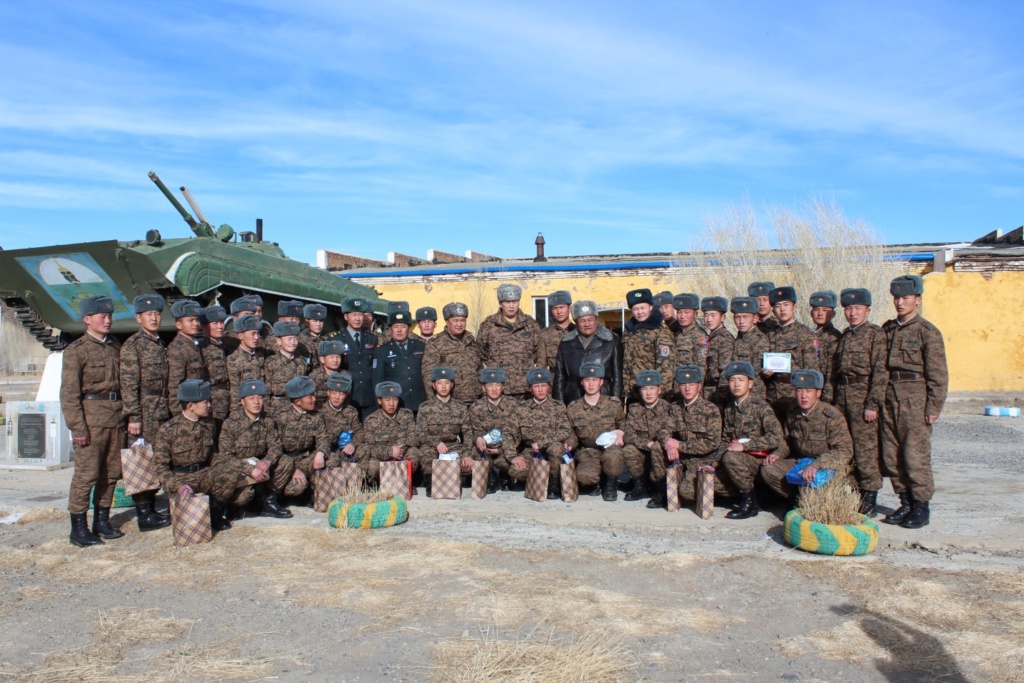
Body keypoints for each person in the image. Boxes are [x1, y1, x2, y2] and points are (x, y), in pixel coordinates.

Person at [880, 274, 948, 529]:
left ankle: (921, 506)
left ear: (917, 300)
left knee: (915, 456)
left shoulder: (927, 332)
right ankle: (905, 502)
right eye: (896, 298)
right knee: (892, 456)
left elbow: (938, 374)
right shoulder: (886, 329)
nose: (900, 302)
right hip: (889, 399)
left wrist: (933, 407)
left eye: (905, 298)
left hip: (915, 401)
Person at [61, 296, 128, 547]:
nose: (108, 320)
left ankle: (102, 521)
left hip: (115, 419)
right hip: (91, 423)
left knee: (110, 475)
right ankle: (78, 528)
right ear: (87, 319)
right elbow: (69, 394)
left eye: (110, 316)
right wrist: (78, 427)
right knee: (86, 476)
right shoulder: (76, 351)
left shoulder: (114, 346)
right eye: (102, 316)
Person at [152, 379, 256, 532]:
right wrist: (178, 486)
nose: (209, 405)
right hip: (181, 479)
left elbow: (213, 456)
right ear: (191, 406)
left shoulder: (209, 424)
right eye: (205, 402)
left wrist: (240, 467)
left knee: (233, 475)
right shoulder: (168, 430)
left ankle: (214, 514)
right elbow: (160, 468)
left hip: (203, 474)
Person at [119, 293, 173, 533]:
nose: (154, 318)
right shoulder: (133, 345)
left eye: (157, 314)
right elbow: (129, 383)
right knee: (141, 460)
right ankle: (144, 515)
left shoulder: (159, 344)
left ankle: (152, 509)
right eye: (148, 314)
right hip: (144, 410)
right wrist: (133, 416)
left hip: (160, 408)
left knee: (157, 457)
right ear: (138, 317)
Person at [833, 288, 889, 516]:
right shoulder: (845, 335)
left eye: (857, 308)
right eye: (848, 309)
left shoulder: (875, 334)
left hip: (863, 396)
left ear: (867, 310)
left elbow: (880, 372)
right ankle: (853, 493)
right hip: (844, 396)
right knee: (847, 449)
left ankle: (869, 499)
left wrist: (872, 404)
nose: (852, 313)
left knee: (866, 451)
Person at [759, 370, 854, 501]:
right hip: (801, 462)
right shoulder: (793, 412)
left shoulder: (831, 416)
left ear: (818, 393)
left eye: (808, 391)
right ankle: (798, 498)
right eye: (799, 390)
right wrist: (778, 453)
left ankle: (814, 498)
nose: (803, 396)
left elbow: (844, 451)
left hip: (825, 466)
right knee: (768, 469)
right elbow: (787, 441)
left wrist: (816, 465)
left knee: (822, 487)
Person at [216, 379, 293, 518]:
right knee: (244, 497)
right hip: (241, 468)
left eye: (260, 398)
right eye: (251, 398)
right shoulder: (231, 424)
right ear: (242, 401)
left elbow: (276, 446)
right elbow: (226, 457)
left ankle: (268, 501)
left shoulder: (267, 420)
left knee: (285, 461)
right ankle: (234, 506)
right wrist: (250, 469)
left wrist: (268, 461)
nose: (256, 402)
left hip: (261, 464)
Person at [719, 361, 785, 520]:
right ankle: (758, 495)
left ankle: (750, 503)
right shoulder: (729, 408)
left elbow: (776, 436)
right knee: (710, 479)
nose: (736, 384)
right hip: (739, 461)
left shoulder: (761, 406)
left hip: (758, 459)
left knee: (731, 458)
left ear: (750, 383)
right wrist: (712, 463)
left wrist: (745, 446)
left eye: (741, 380)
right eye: (733, 380)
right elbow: (725, 440)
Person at [657, 365, 727, 508]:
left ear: (699, 386)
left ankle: (723, 494)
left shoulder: (710, 410)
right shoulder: (675, 407)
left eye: (691, 384)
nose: (687, 388)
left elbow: (712, 443)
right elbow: (664, 429)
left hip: (703, 458)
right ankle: (661, 491)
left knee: (687, 492)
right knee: (657, 448)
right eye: (683, 385)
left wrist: (680, 445)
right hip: (682, 457)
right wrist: (668, 443)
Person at [565, 363, 626, 501]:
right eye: (587, 380)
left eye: (595, 380)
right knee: (584, 478)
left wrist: (621, 433)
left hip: (609, 449)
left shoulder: (612, 404)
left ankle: (610, 485)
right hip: (588, 451)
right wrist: (569, 443)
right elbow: (572, 433)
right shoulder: (574, 407)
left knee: (614, 456)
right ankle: (595, 483)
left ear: (601, 382)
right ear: (582, 382)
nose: (591, 384)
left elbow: (623, 424)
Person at [514, 368, 576, 499]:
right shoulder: (521, 408)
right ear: (531, 389)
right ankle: (541, 479)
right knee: (515, 472)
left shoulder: (558, 407)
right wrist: (512, 455)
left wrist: (542, 442)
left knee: (556, 448)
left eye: (543, 385)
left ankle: (553, 483)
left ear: (549, 387)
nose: (540, 389)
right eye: (536, 386)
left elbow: (564, 430)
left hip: (552, 450)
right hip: (532, 451)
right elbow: (510, 433)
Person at [477, 284, 545, 398]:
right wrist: (495, 364)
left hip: (525, 386)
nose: (512, 306)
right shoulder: (489, 325)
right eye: (507, 302)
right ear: (500, 303)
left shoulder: (530, 324)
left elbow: (538, 351)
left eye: (515, 302)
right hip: (499, 386)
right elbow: (480, 350)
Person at [411, 366, 469, 495]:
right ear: (433, 385)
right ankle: (430, 483)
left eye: (447, 383)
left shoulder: (461, 407)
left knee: (470, 463)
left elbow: (468, 433)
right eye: (439, 383)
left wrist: (467, 454)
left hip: (453, 445)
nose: (443, 386)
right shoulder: (425, 407)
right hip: (432, 446)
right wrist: (436, 443)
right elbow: (420, 432)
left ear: (452, 385)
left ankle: (457, 479)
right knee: (426, 453)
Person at [462, 367, 521, 493]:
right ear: (483, 388)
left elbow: (518, 433)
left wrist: (500, 449)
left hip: (507, 449)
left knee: (515, 468)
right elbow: (472, 431)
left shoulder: (513, 405)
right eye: (490, 385)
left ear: (503, 387)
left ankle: (505, 477)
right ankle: (490, 476)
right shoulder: (476, 407)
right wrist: (477, 438)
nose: (494, 389)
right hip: (484, 450)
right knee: (471, 466)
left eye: (498, 385)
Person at [764, 286, 818, 420]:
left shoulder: (805, 335)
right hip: (772, 394)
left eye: (786, 305)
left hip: (794, 394)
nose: (782, 309)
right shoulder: (769, 334)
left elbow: (812, 369)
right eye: (778, 306)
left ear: (795, 308)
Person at [554, 300, 622, 404]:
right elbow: (559, 377)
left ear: (596, 320)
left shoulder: (612, 341)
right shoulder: (565, 343)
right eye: (582, 320)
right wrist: (558, 403)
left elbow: (617, 376)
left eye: (590, 319)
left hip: (603, 397)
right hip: (573, 397)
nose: (587, 324)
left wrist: (616, 400)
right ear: (576, 323)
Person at [621, 370, 673, 503]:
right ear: (639, 391)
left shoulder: (669, 409)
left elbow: (669, 433)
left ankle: (661, 489)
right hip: (644, 453)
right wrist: (646, 444)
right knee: (628, 450)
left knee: (657, 447)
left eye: (652, 388)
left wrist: (655, 445)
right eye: (644, 388)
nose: (648, 393)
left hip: (662, 455)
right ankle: (640, 486)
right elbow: (629, 434)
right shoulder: (635, 408)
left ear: (659, 390)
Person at [275, 376, 331, 501]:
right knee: (295, 488)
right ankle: (274, 498)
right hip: (287, 463)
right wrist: (292, 470)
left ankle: (315, 491)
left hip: (306, 459)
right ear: (297, 401)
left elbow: (323, 438)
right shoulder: (281, 417)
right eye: (309, 397)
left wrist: (320, 453)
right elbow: (275, 448)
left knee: (332, 459)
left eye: (313, 395)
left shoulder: (316, 416)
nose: (314, 399)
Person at [356, 381, 419, 484]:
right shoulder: (371, 420)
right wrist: (389, 452)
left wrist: (399, 450)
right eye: (387, 399)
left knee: (414, 452)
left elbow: (414, 438)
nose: (391, 404)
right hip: (382, 457)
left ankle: (406, 483)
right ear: (379, 401)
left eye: (395, 399)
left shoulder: (406, 415)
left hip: (401, 454)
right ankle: (376, 485)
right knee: (372, 465)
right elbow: (369, 447)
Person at [421, 302, 482, 406]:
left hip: (474, 401)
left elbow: (479, 370)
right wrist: (434, 403)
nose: (459, 324)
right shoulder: (436, 343)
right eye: (455, 320)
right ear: (447, 321)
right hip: (451, 403)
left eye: (462, 320)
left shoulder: (471, 341)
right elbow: (428, 376)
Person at [622, 289, 675, 402]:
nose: (640, 312)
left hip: (653, 395)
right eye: (636, 309)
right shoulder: (629, 330)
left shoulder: (661, 331)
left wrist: (661, 395)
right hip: (633, 393)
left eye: (643, 308)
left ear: (651, 307)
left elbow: (666, 368)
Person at [373, 310, 427, 413]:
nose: (399, 330)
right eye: (395, 327)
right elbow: (378, 381)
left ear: (409, 328)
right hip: (397, 403)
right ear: (390, 329)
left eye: (403, 327)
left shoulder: (421, 346)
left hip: (420, 402)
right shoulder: (381, 350)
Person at [719, 297, 768, 404]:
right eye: (738, 317)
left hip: (753, 396)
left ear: (755, 318)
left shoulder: (759, 340)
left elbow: (756, 374)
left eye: (745, 317)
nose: (741, 321)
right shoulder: (740, 337)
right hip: (737, 394)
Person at [337, 297, 379, 418]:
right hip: (348, 396)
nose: (357, 318)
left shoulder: (372, 339)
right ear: (346, 317)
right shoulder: (337, 339)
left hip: (369, 396)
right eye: (354, 314)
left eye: (360, 314)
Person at [166, 300, 209, 416]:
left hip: (199, 407)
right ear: (179, 325)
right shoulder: (177, 349)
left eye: (197, 320)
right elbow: (175, 385)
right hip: (187, 410)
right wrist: (178, 414)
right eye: (190, 320)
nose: (195, 324)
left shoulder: (195, 345)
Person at [264, 320, 309, 416]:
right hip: (277, 410)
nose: (293, 342)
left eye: (295, 339)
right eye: (289, 339)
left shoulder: (301, 362)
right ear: (279, 341)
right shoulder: (271, 362)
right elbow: (266, 391)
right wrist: (268, 412)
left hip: (298, 410)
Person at [225, 313, 268, 412]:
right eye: (252, 334)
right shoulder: (233, 359)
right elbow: (235, 391)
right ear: (240, 335)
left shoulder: (260, 356)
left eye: (257, 333)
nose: (256, 337)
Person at [319, 372, 362, 468]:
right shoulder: (320, 412)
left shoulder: (351, 411)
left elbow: (360, 432)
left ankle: (358, 480)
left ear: (346, 395)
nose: (337, 397)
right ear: (328, 392)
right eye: (333, 392)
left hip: (344, 450)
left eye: (341, 393)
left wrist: (352, 444)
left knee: (364, 449)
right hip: (327, 451)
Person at [199, 305, 231, 425]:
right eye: (215, 323)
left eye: (222, 322)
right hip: (213, 401)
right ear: (204, 327)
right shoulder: (202, 348)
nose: (220, 327)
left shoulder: (224, 346)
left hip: (227, 399)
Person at [809, 290, 842, 402]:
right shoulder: (807, 335)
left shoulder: (834, 337)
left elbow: (831, 372)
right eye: (816, 310)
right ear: (811, 313)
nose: (820, 313)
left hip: (823, 392)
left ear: (833, 314)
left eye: (825, 310)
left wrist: (827, 398)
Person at [699, 296, 734, 401]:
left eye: (713, 315)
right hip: (706, 391)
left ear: (723, 317)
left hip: (716, 392)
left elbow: (725, 371)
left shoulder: (725, 339)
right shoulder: (709, 337)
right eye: (706, 315)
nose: (709, 319)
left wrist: (721, 398)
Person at [538, 290, 575, 371]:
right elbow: (541, 365)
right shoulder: (545, 334)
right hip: (553, 379)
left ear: (569, 309)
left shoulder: (577, 332)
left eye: (561, 307)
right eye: (555, 308)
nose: (558, 312)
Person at [673, 293, 706, 372]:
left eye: (687, 312)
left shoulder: (701, 336)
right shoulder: (677, 333)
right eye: (679, 312)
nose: (682, 316)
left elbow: (702, 367)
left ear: (696, 314)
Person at [309, 340, 345, 407]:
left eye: (338, 357)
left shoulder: (345, 375)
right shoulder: (314, 376)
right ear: (322, 359)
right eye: (332, 357)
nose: (335, 360)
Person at [299, 303, 328, 370]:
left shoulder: (329, 339)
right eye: (315, 321)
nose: (318, 324)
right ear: (306, 322)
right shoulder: (300, 340)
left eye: (321, 321)